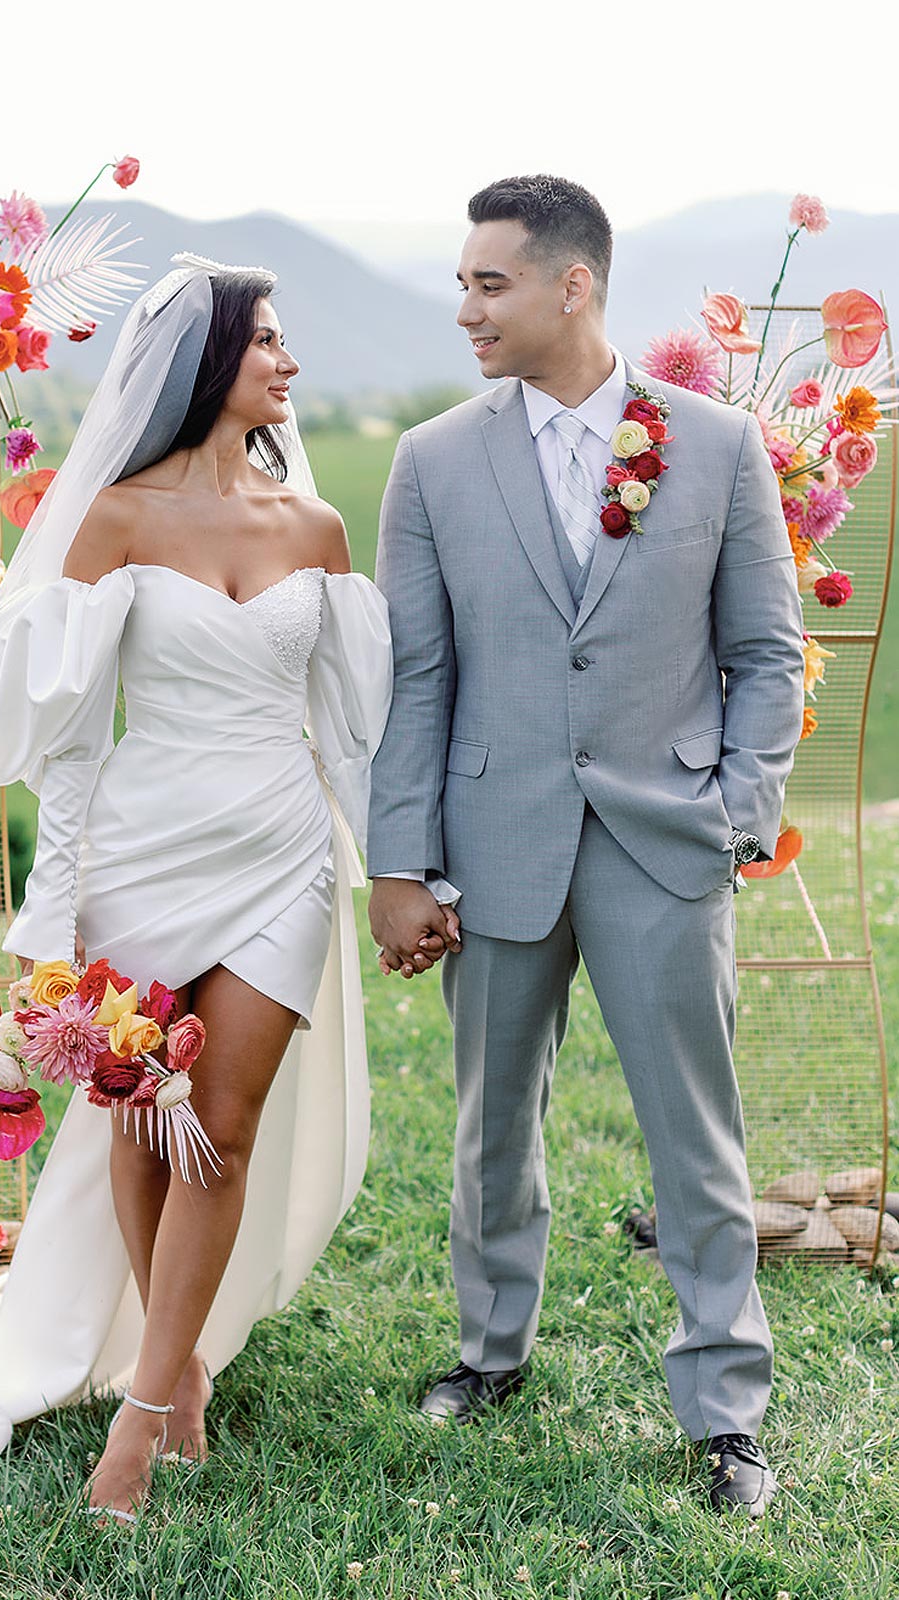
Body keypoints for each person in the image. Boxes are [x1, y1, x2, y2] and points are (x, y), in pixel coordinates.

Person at [0, 259, 394, 1518]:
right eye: (268, 341)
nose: (289, 363)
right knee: (147, 1114)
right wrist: (49, 915)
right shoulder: (119, 520)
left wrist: (389, 873)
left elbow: (350, 730)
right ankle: (174, 1365)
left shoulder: (316, 530)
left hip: (281, 850)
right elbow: (76, 743)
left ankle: (141, 1415)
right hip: (142, 845)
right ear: (206, 365)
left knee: (224, 1124)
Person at [367, 175, 804, 1517]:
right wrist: (399, 862)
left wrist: (734, 812)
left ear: (572, 286)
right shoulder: (431, 461)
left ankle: (723, 1410)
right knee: (490, 1120)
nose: (464, 309)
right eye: (458, 282)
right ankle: (486, 1353)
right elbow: (418, 678)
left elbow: (763, 655)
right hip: (491, 846)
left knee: (695, 1133)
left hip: (664, 845)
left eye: (487, 283)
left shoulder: (718, 447)